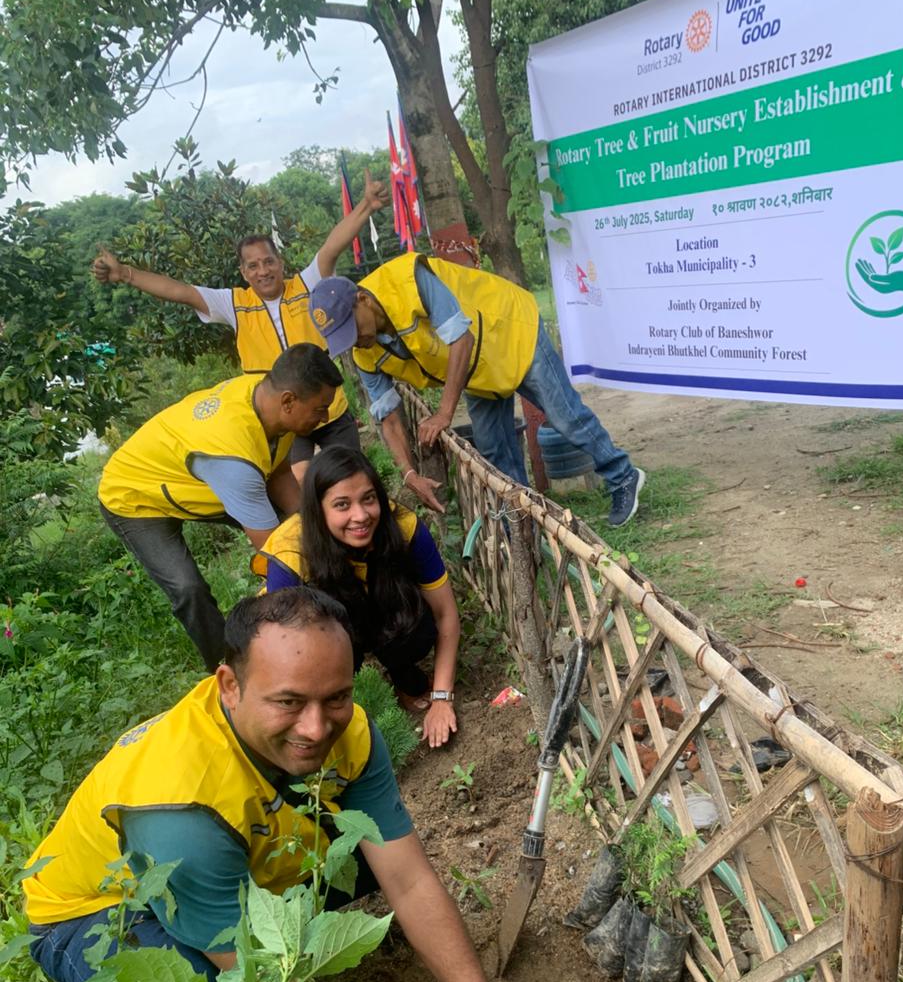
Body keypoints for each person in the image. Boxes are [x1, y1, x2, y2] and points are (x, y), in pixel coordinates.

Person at [22, 587, 549, 982]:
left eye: (336, 698)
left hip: (222, 856)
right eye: (289, 702)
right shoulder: (182, 812)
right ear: (229, 686)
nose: (316, 726)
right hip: (90, 915)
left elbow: (408, 877)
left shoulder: (345, 732)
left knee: (362, 853)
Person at [306, 253, 645, 525]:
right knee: (494, 450)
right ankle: (524, 522)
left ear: (362, 300)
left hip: (509, 329)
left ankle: (622, 476)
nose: (357, 341)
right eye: (345, 338)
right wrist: (410, 475)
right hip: (476, 369)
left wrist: (444, 413)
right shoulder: (364, 352)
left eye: (354, 329)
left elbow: (460, 338)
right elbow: (388, 418)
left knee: (564, 417)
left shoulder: (407, 280)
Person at [92, 171, 388, 475]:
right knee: (302, 485)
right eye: (253, 266)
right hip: (284, 418)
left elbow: (331, 247)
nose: (263, 271)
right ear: (244, 272)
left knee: (353, 475)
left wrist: (365, 205)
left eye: (269, 261)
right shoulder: (234, 304)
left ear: (280, 263)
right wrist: (125, 274)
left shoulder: (305, 286)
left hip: (329, 408)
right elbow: (180, 291)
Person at [98, 342, 342, 673]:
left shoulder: (267, 404)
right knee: (189, 588)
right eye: (319, 409)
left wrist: (316, 528)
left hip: (190, 477)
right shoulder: (234, 459)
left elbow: (280, 473)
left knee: (302, 530)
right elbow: (275, 553)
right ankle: (231, 668)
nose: (325, 417)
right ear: (289, 401)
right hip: (133, 495)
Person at [256, 447, 459, 748]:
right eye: (342, 505)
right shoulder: (291, 555)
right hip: (322, 631)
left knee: (417, 625)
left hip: (375, 609)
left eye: (368, 498)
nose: (360, 516)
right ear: (317, 510)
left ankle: (403, 675)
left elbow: (445, 614)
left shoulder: (403, 527)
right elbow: (281, 655)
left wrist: (443, 698)